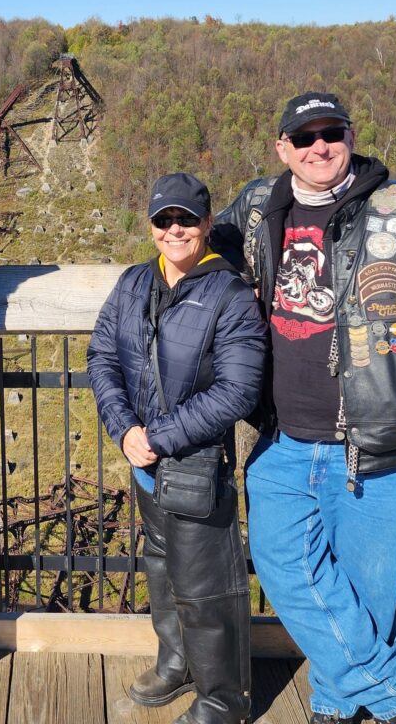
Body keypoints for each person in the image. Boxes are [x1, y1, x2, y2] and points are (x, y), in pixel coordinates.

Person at [211, 92, 396, 724]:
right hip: (282, 438)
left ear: (350, 135)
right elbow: (202, 267)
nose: (321, 146)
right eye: (305, 136)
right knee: (285, 568)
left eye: (331, 131)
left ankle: (337, 709)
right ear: (283, 147)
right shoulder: (257, 209)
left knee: (374, 592)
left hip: (384, 443)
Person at [88, 173, 267, 724]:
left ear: (207, 224)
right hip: (145, 466)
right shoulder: (133, 284)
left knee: (206, 588)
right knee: (163, 568)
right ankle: (177, 662)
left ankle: (223, 698)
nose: (175, 230)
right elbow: (102, 357)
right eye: (164, 220)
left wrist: (158, 437)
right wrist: (124, 430)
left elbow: (238, 390)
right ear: (151, 226)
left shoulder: (230, 295)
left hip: (192, 467)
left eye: (186, 219)